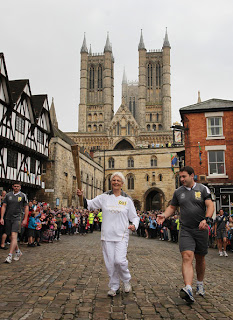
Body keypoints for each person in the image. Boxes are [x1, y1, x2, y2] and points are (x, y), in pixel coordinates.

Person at [157, 166, 214, 303]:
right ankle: (188, 287)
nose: (181, 179)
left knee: (200, 258)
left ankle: (199, 283)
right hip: (186, 229)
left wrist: (206, 219)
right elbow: (172, 207)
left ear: (192, 175)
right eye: (180, 177)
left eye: (184, 177)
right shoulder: (178, 192)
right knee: (187, 256)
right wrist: (164, 215)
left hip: (200, 229)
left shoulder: (202, 189)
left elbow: (210, 205)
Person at [77, 172, 139, 297]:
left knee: (120, 261)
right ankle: (114, 286)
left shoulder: (127, 200)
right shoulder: (104, 197)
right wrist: (81, 196)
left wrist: (134, 225)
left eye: (118, 180)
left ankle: (126, 280)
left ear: (122, 183)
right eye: (113, 180)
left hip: (121, 235)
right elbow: (88, 204)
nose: (115, 182)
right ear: (111, 183)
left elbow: (134, 217)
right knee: (110, 263)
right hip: (107, 236)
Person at [0, 182, 29, 263]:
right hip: (8, 217)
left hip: (18, 217)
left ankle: (10, 255)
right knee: (10, 237)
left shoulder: (23, 196)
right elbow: (4, 206)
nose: (16, 188)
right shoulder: (8, 195)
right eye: (15, 186)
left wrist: (25, 219)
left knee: (14, 235)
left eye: (18, 186)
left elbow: (26, 207)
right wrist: (2, 217)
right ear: (13, 187)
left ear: (20, 187)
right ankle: (18, 251)